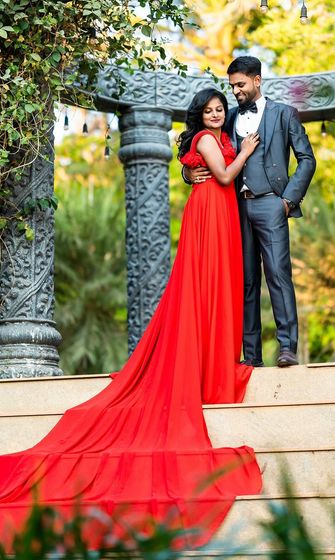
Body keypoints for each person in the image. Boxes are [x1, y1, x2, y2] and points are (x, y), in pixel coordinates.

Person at [0, 88, 262, 551]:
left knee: (219, 285)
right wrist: (242, 153)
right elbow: (221, 176)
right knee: (206, 285)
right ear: (200, 115)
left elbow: (196, 174)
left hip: (217, 213)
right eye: (210, 109)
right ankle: (209, 369)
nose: (217, 114)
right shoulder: (206, 139)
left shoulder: (206, 138)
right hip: (211, 211)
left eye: (220, 108)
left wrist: (198, 169)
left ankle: (215, 359)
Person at [184, 56, 316, 368]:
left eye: (240, 85)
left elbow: (307, 160)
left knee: (278, 275)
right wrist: (188, 175)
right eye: (232, 86)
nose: (236, 91)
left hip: (273, 203)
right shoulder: (225, 118)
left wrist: (287, 201)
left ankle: (286, 348)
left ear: (257, 80)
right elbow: (201, 149)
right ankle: (251, 355)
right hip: (235, 208)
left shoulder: (285, 114)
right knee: (244, 280)